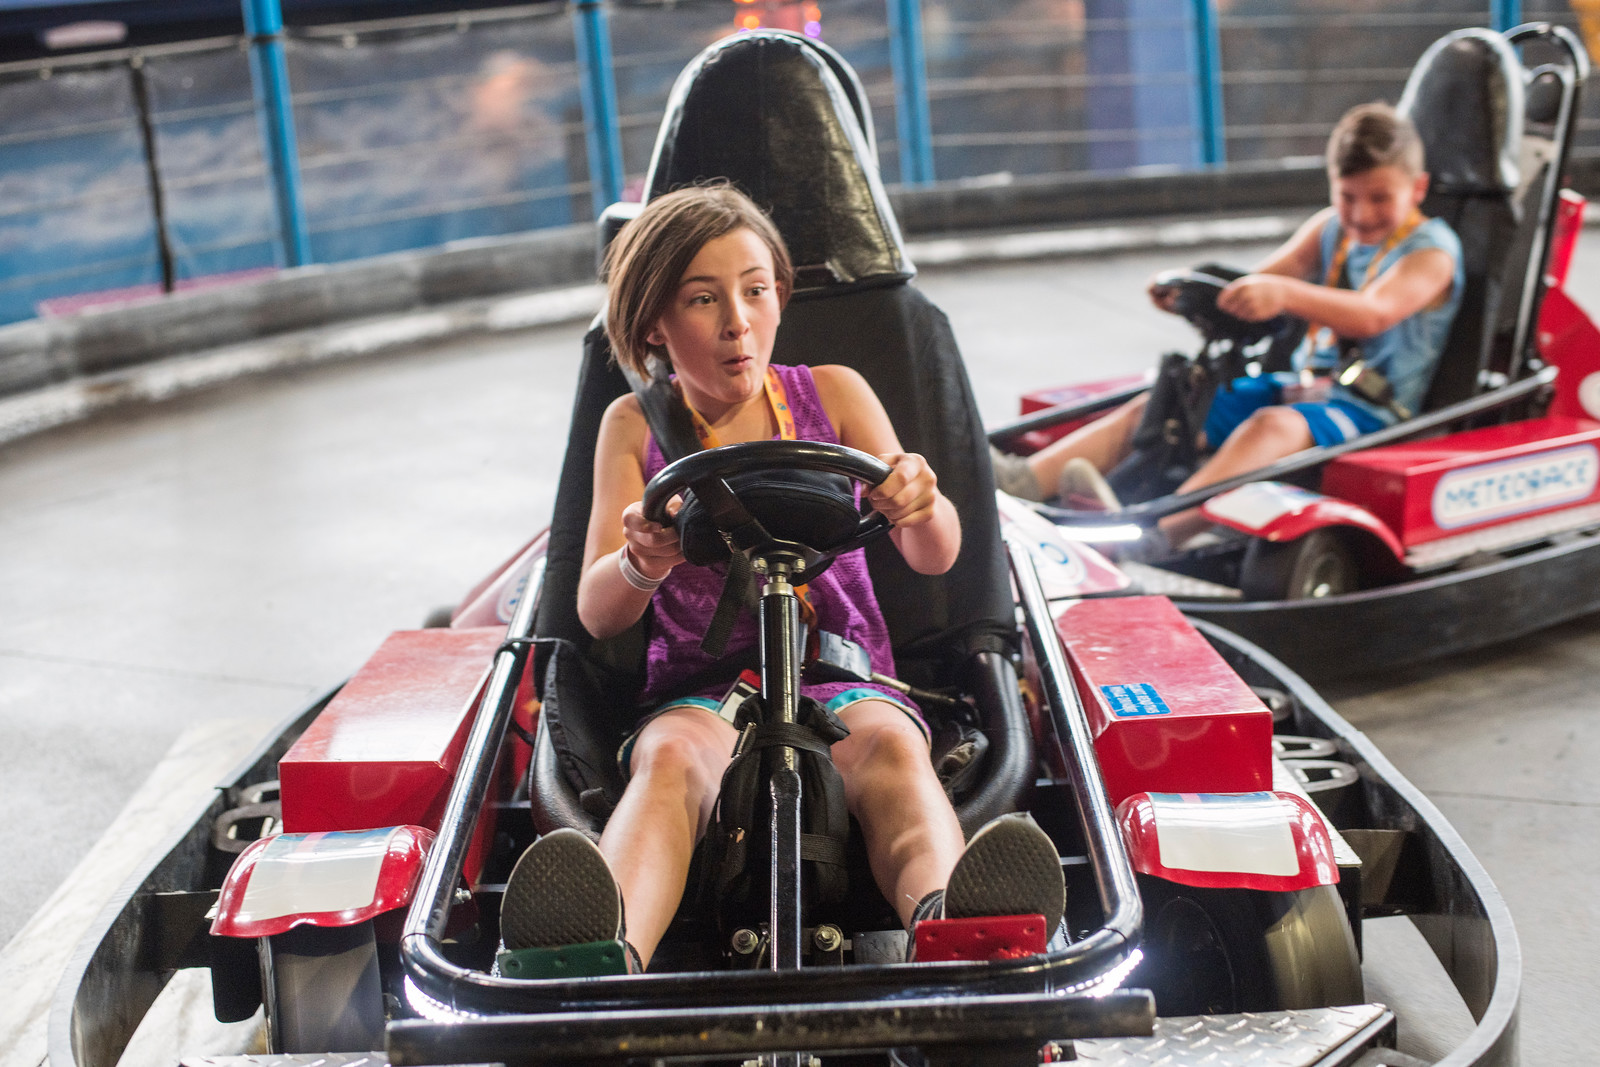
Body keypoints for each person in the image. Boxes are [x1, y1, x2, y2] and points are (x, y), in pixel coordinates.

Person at [499, 183, 1064, 972]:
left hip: (843, 679)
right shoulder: (633, 424)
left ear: (779, 295)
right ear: (655, 322)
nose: (737, 321)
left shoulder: (833, 393)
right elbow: (595, 612)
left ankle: (953, 929)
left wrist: (917, 503)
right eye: (703, 299)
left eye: (756, 290)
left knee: (894, 753)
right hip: (703, 689)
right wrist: (640, 561)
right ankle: (602, 955)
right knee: (669, 761)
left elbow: (935, 557)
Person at [994, 101, 1463, 552]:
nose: (1361, 214)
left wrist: (1283, 295)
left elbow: (1373, 312)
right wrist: (1191, 294)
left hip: (1372, 412)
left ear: (1417, 189)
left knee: (1271, 427)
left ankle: (1156, 533)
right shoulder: (1329, 231)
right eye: (1347, 197)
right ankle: (1026, 482)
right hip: (1303, 388)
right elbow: (1255, 283)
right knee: (1169, 403)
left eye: (1380, 198)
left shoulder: (1432, 252)